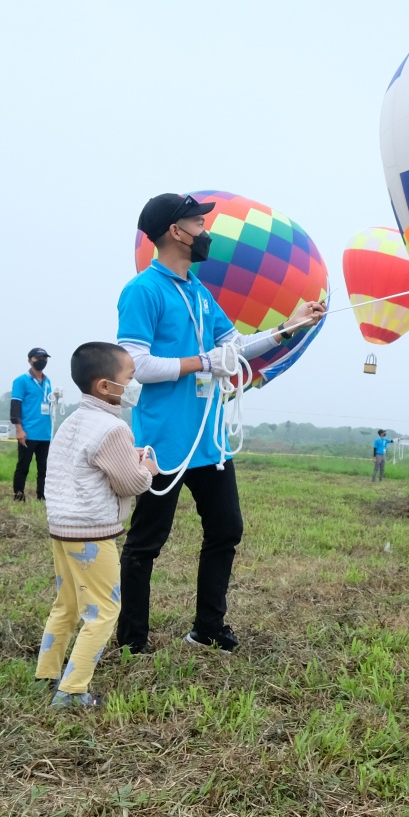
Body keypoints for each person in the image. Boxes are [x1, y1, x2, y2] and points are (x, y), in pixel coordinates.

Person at [114, 193, 324, 654]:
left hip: (209, 441)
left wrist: (290, 327)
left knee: (226, 528)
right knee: (147, 543)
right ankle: (131, 639)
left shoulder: (200, 292)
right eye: (198, 223)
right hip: (164, 442)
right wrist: (201, 362)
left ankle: (208, 628)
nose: (205, 232)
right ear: (176, 231)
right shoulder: (142, 292)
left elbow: (235, 346)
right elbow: (137, 364)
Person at [36, 342, 157, 709]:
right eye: (130, 378)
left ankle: (48, 671)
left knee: (67, 604)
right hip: (92, 533)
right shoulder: (113, 427)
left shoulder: (73, 421)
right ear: (106, 386)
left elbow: (88, 467)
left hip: (62, 527)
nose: (134, 385)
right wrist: (146, 471)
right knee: (104, 611)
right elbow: (129, 484)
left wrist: (128, 463)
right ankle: (73, 691)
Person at [9, 347, 56, 502]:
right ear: (30, 360)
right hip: (28, 432)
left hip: (45, 433)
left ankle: (42, 496)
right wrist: (19, 429)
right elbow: (15, 406)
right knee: (23, 466)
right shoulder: (21, 381)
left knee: (44, 469)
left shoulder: (48, 381)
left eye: (44, 358)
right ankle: (19, 496)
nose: (42, 361)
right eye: (38, 358)